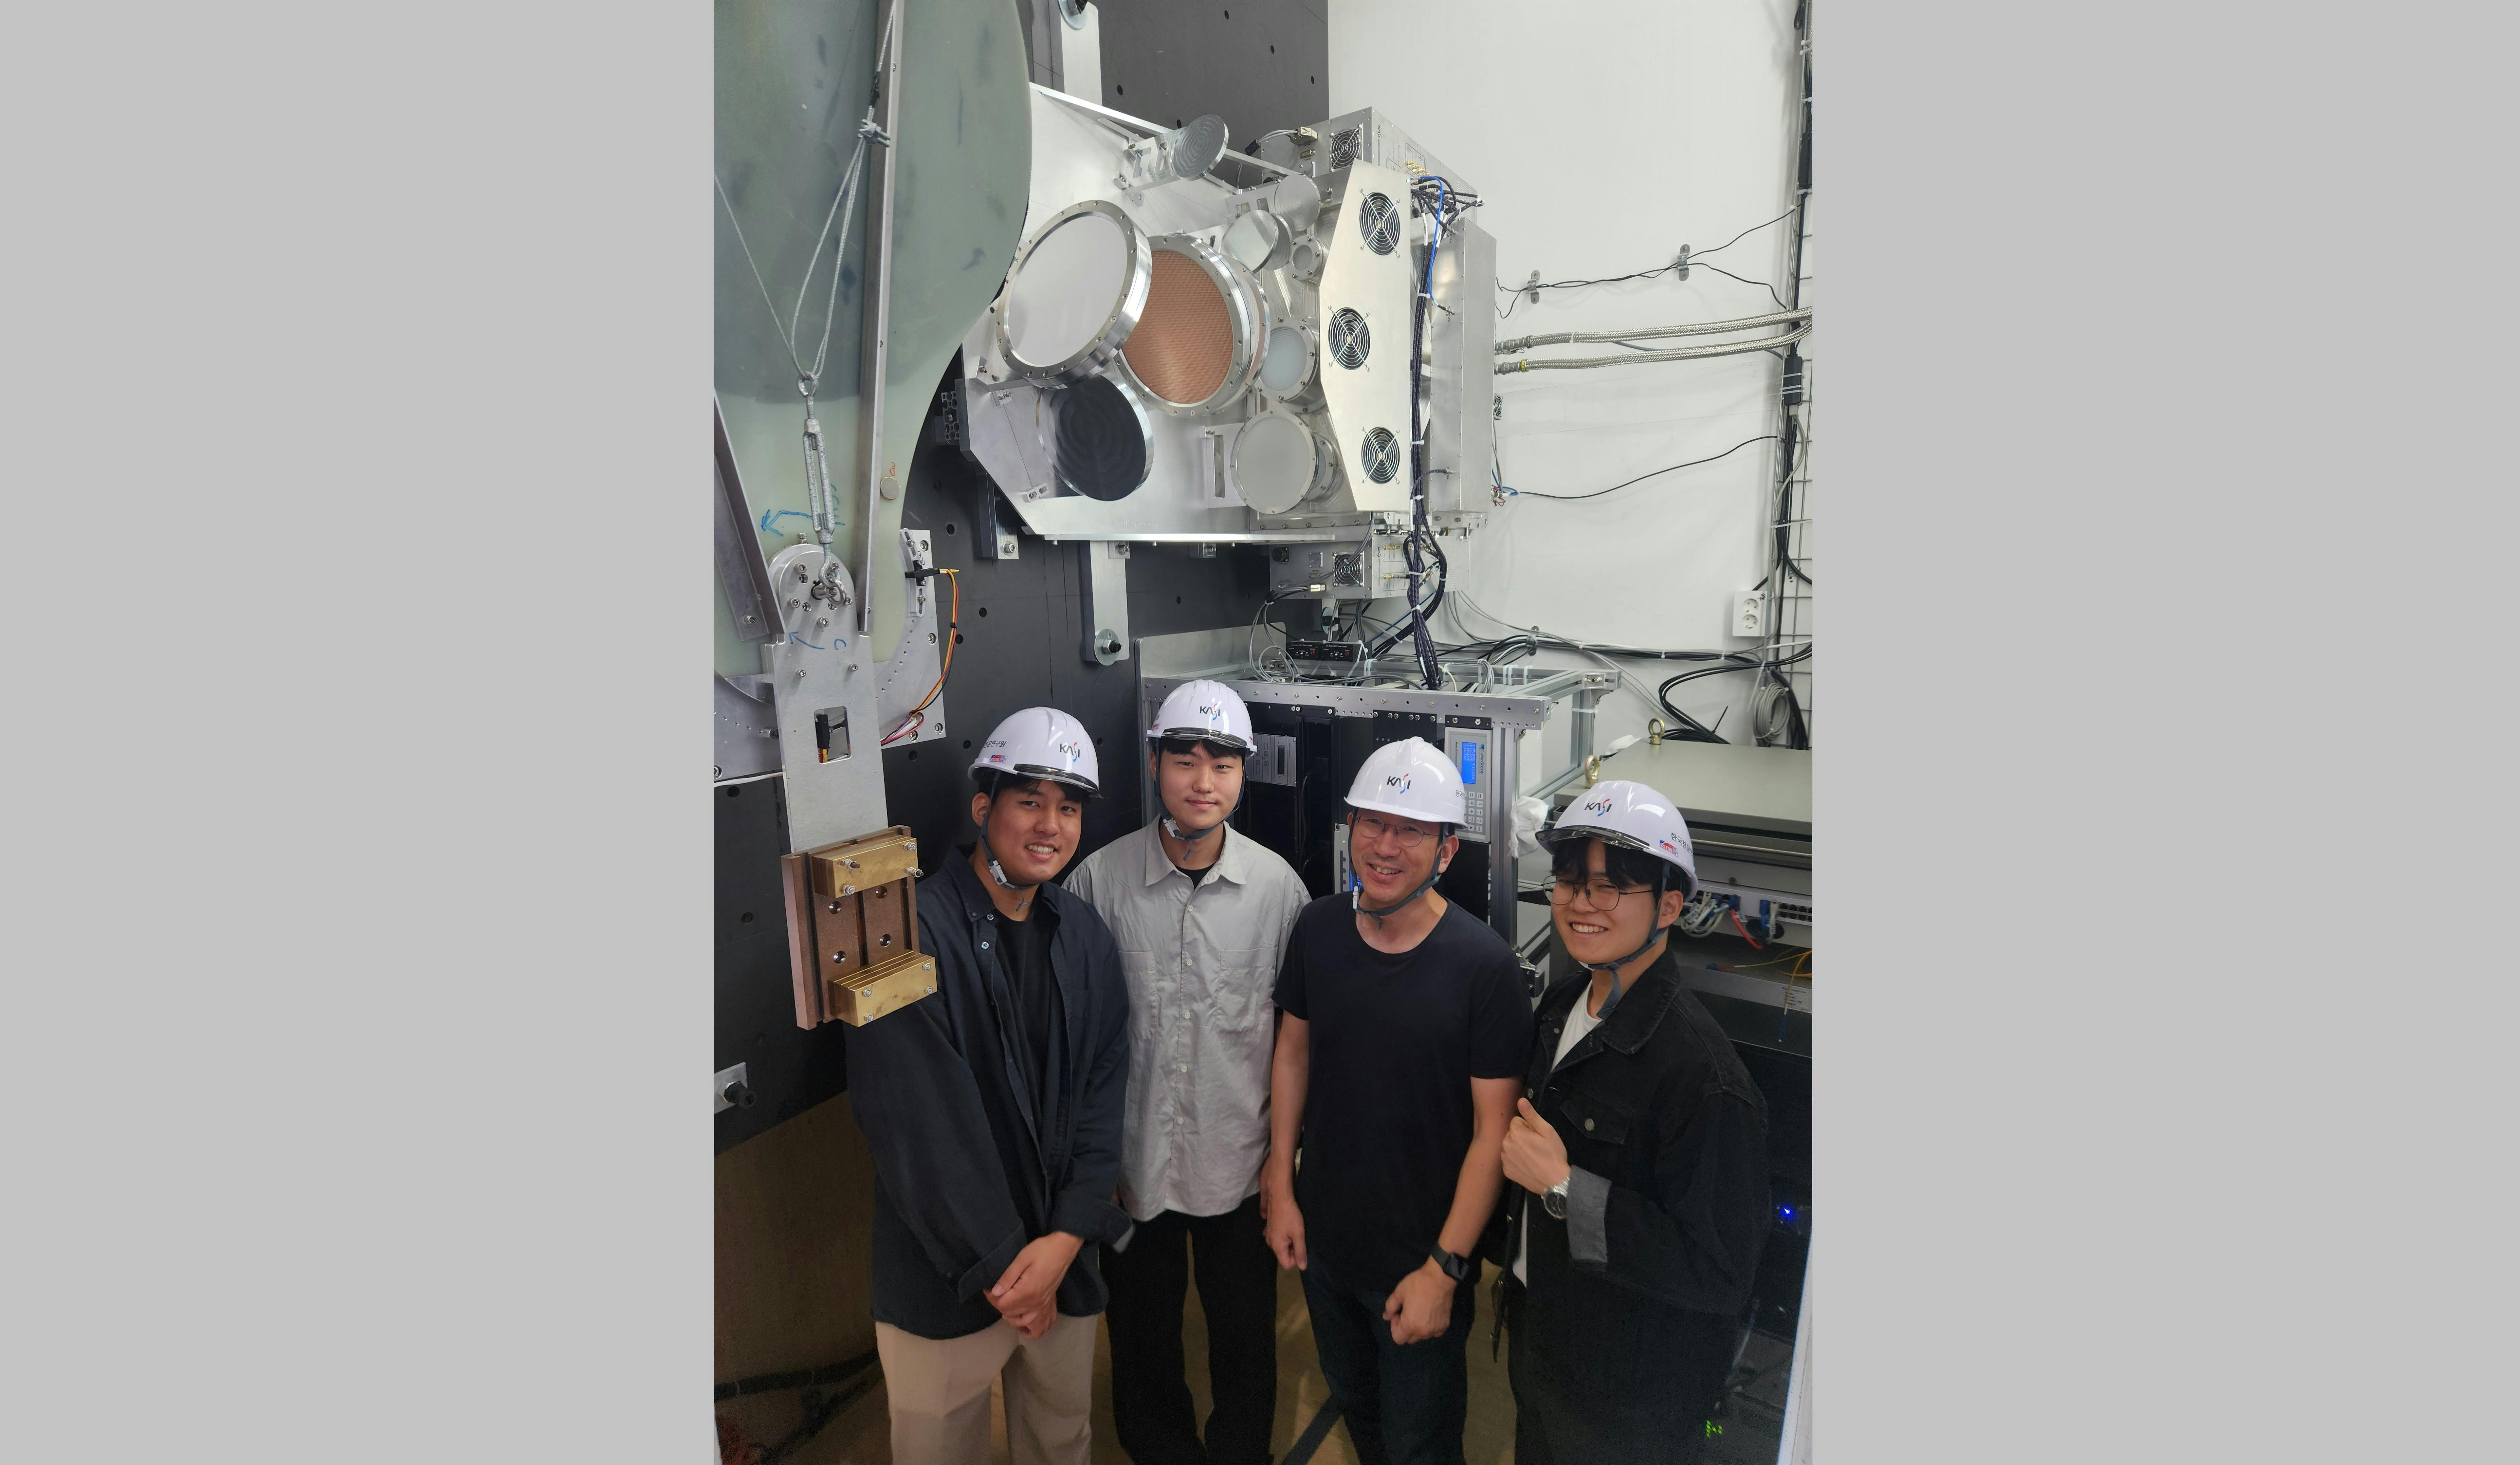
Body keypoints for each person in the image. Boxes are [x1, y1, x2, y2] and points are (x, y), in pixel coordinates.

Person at [841, 707, 1133, 1465]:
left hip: (1060, 1265)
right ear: (983, 808)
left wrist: (1065, 1239)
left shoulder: (1086, 938)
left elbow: (1103, 1103)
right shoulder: (908, 936)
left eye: (1067, 807)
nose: (1050, 825)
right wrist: (1014, 1268)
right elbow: (920, 1127)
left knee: (1061, 1441)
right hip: (946, 1280)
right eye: (1029, 801)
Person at [1262, 737, 1532, 1465]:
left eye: (1410, 830)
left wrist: (1445, 1267)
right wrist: (1279, 1184)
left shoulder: (1484, 967)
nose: (1384, 845)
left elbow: (1491, 1134)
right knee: (1359, 1411)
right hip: (1324, 1244)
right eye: (1371, 823)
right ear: (1348, 827)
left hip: (1418, 1259)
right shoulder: (1317, 927)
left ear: (1445, 851)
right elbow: (1292, 1052)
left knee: (1421, 1440)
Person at [1066, 680, 1310, 1465]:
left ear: (1243, 773)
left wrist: (1282, 1165)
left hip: (1237, 1166)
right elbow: (1075, 1039)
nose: (1202, 781)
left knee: (1245, 1336)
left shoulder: (1278, 891)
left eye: (1222, 763)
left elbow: (1291, 1044)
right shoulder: (1097, 884)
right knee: (1141, 1336)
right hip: (1132, 1168)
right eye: (1185, 758)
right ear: (1154, 764)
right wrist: (1089, 1161)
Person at [1496, 779, 1772, 1465]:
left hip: (1625, 1397)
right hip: (1541, 1334)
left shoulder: (1705, 1081)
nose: (1580, 903)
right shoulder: (1562, 1005)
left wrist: (1565, 1188)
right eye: (1569, 880)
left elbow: (1721, 1271)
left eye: (1610, 886)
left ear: (1670, 907)